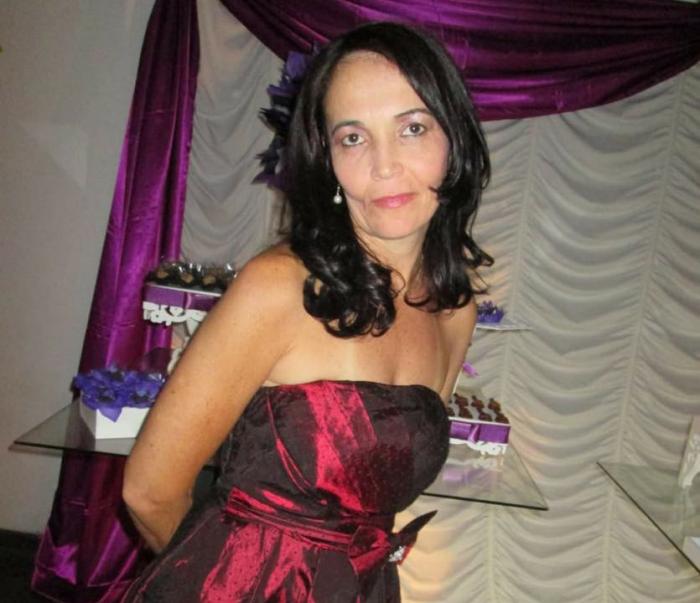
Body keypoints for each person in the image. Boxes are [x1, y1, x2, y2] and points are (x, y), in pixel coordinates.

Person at [122, 21, 492, 602]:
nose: (385, 165)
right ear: (327, 160)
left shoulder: (455, 311)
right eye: (353, 137)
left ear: (454, 142)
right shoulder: (278, 288)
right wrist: (225, 582)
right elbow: (149, 491)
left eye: (413, 128)